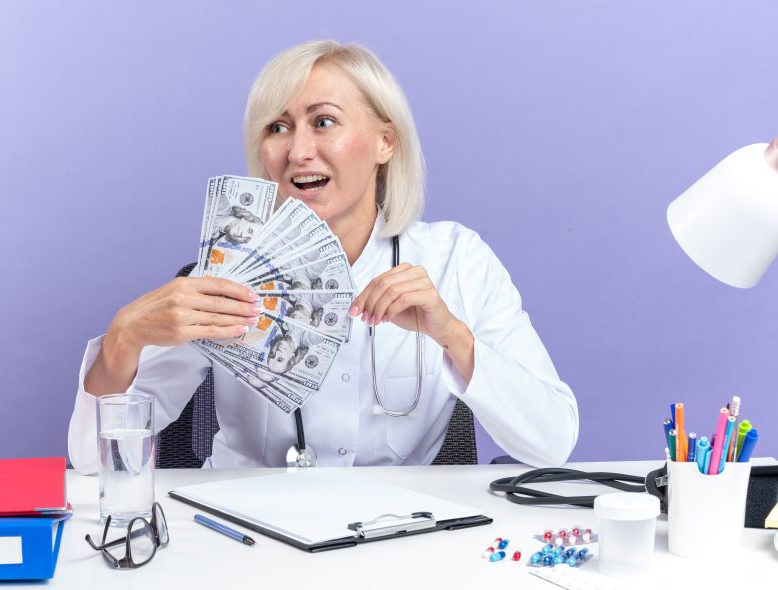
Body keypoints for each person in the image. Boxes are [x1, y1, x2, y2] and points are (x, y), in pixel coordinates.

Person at [68, 40, 578, 472]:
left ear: (384, 142)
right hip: (245, 539)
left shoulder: (457, 259)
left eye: (324, 121)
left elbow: (551, 442)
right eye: (277, 127)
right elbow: (94, 463)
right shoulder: (226, 269)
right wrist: (124, 336)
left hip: (398, 539)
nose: (297, 151)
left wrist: (454, 337)